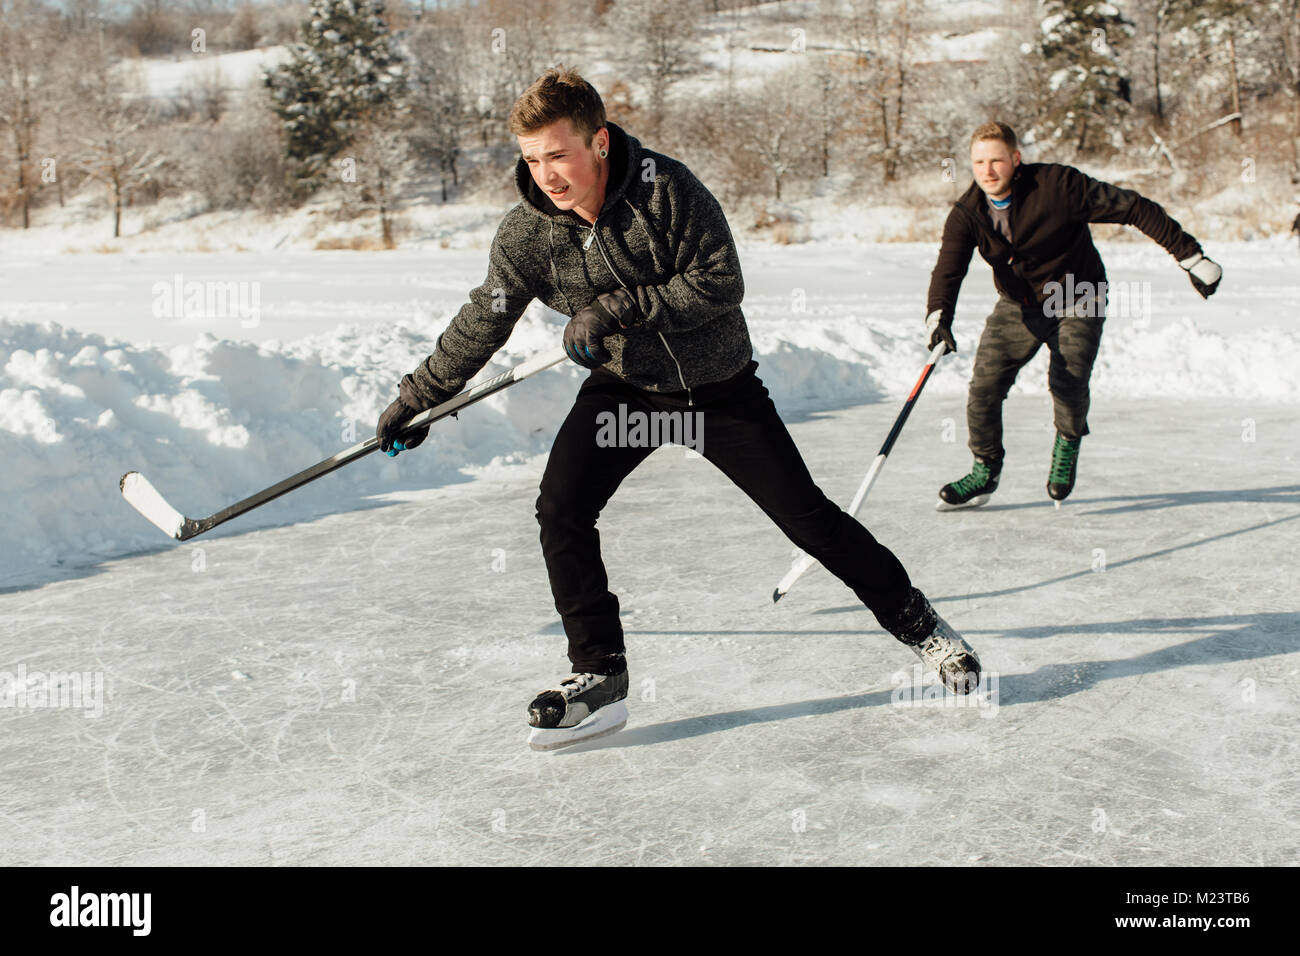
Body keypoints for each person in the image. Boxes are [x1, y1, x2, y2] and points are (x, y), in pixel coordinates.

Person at [376, 68, 982, 750]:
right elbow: (484, 318)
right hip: (626, 392)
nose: (545, 173)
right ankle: (598, 676)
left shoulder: (666, 192)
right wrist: (421, 397)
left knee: (807, 519)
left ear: (599, 143)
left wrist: (622, 305)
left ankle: (921, 625)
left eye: (558, 153)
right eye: (532, 157)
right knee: (561, 509)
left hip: (715, 391)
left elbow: (723, 281)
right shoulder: (527, 234)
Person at [925, 121, 1222, 509]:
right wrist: (938, 318)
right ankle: (985, 469)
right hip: (1020, 305)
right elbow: (949, 268)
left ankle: (1067, 444)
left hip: (1080, 294)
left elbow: (1133, 207)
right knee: (983, 389)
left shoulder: (1059, 186)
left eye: (997, 160)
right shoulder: (968, 213)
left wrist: (1190, 256)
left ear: (1015, 159)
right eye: (979, 162)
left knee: (1067, 381)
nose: (988, 171)